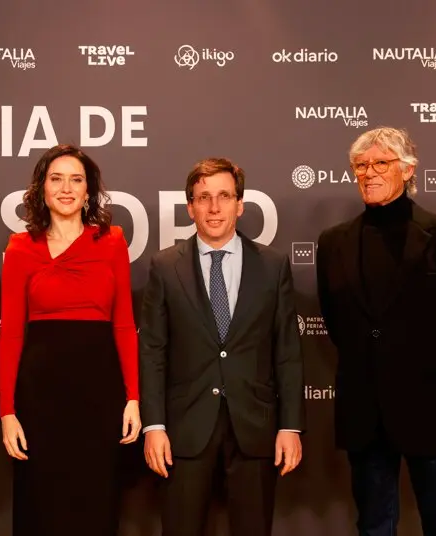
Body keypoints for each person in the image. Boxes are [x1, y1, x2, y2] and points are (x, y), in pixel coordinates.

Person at [316, 127, 436, 536]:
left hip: (435, 408)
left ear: (409, 168)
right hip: (365, 412)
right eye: (361, 165)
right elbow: (336, 322)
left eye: (381, 163)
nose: (369, 172)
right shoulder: (333, 243)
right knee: (374, 524)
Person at [139, 158, 305, 536]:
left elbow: (288, 350)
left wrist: (290, 426)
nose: (214, 208)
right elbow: (152, 350)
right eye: (204, 198)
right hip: (184, 428)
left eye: (224, 197)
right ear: (191, 207)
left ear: (240, 204)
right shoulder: (164, 267)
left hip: (255, 425)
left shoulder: (273, 265)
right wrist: (154, 425)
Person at [0, 144, 141, 536]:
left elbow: (125, 326)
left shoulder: (112, 242)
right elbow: (10, 334)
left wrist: (133, 398)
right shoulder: (20, 247)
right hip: (39, 397)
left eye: (76, 179)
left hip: (100, 394)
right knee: (41, 505)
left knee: (95, 501)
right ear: (41, 188)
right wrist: (7, 413)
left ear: (88, 190)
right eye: (56, 178)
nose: (66, 188)